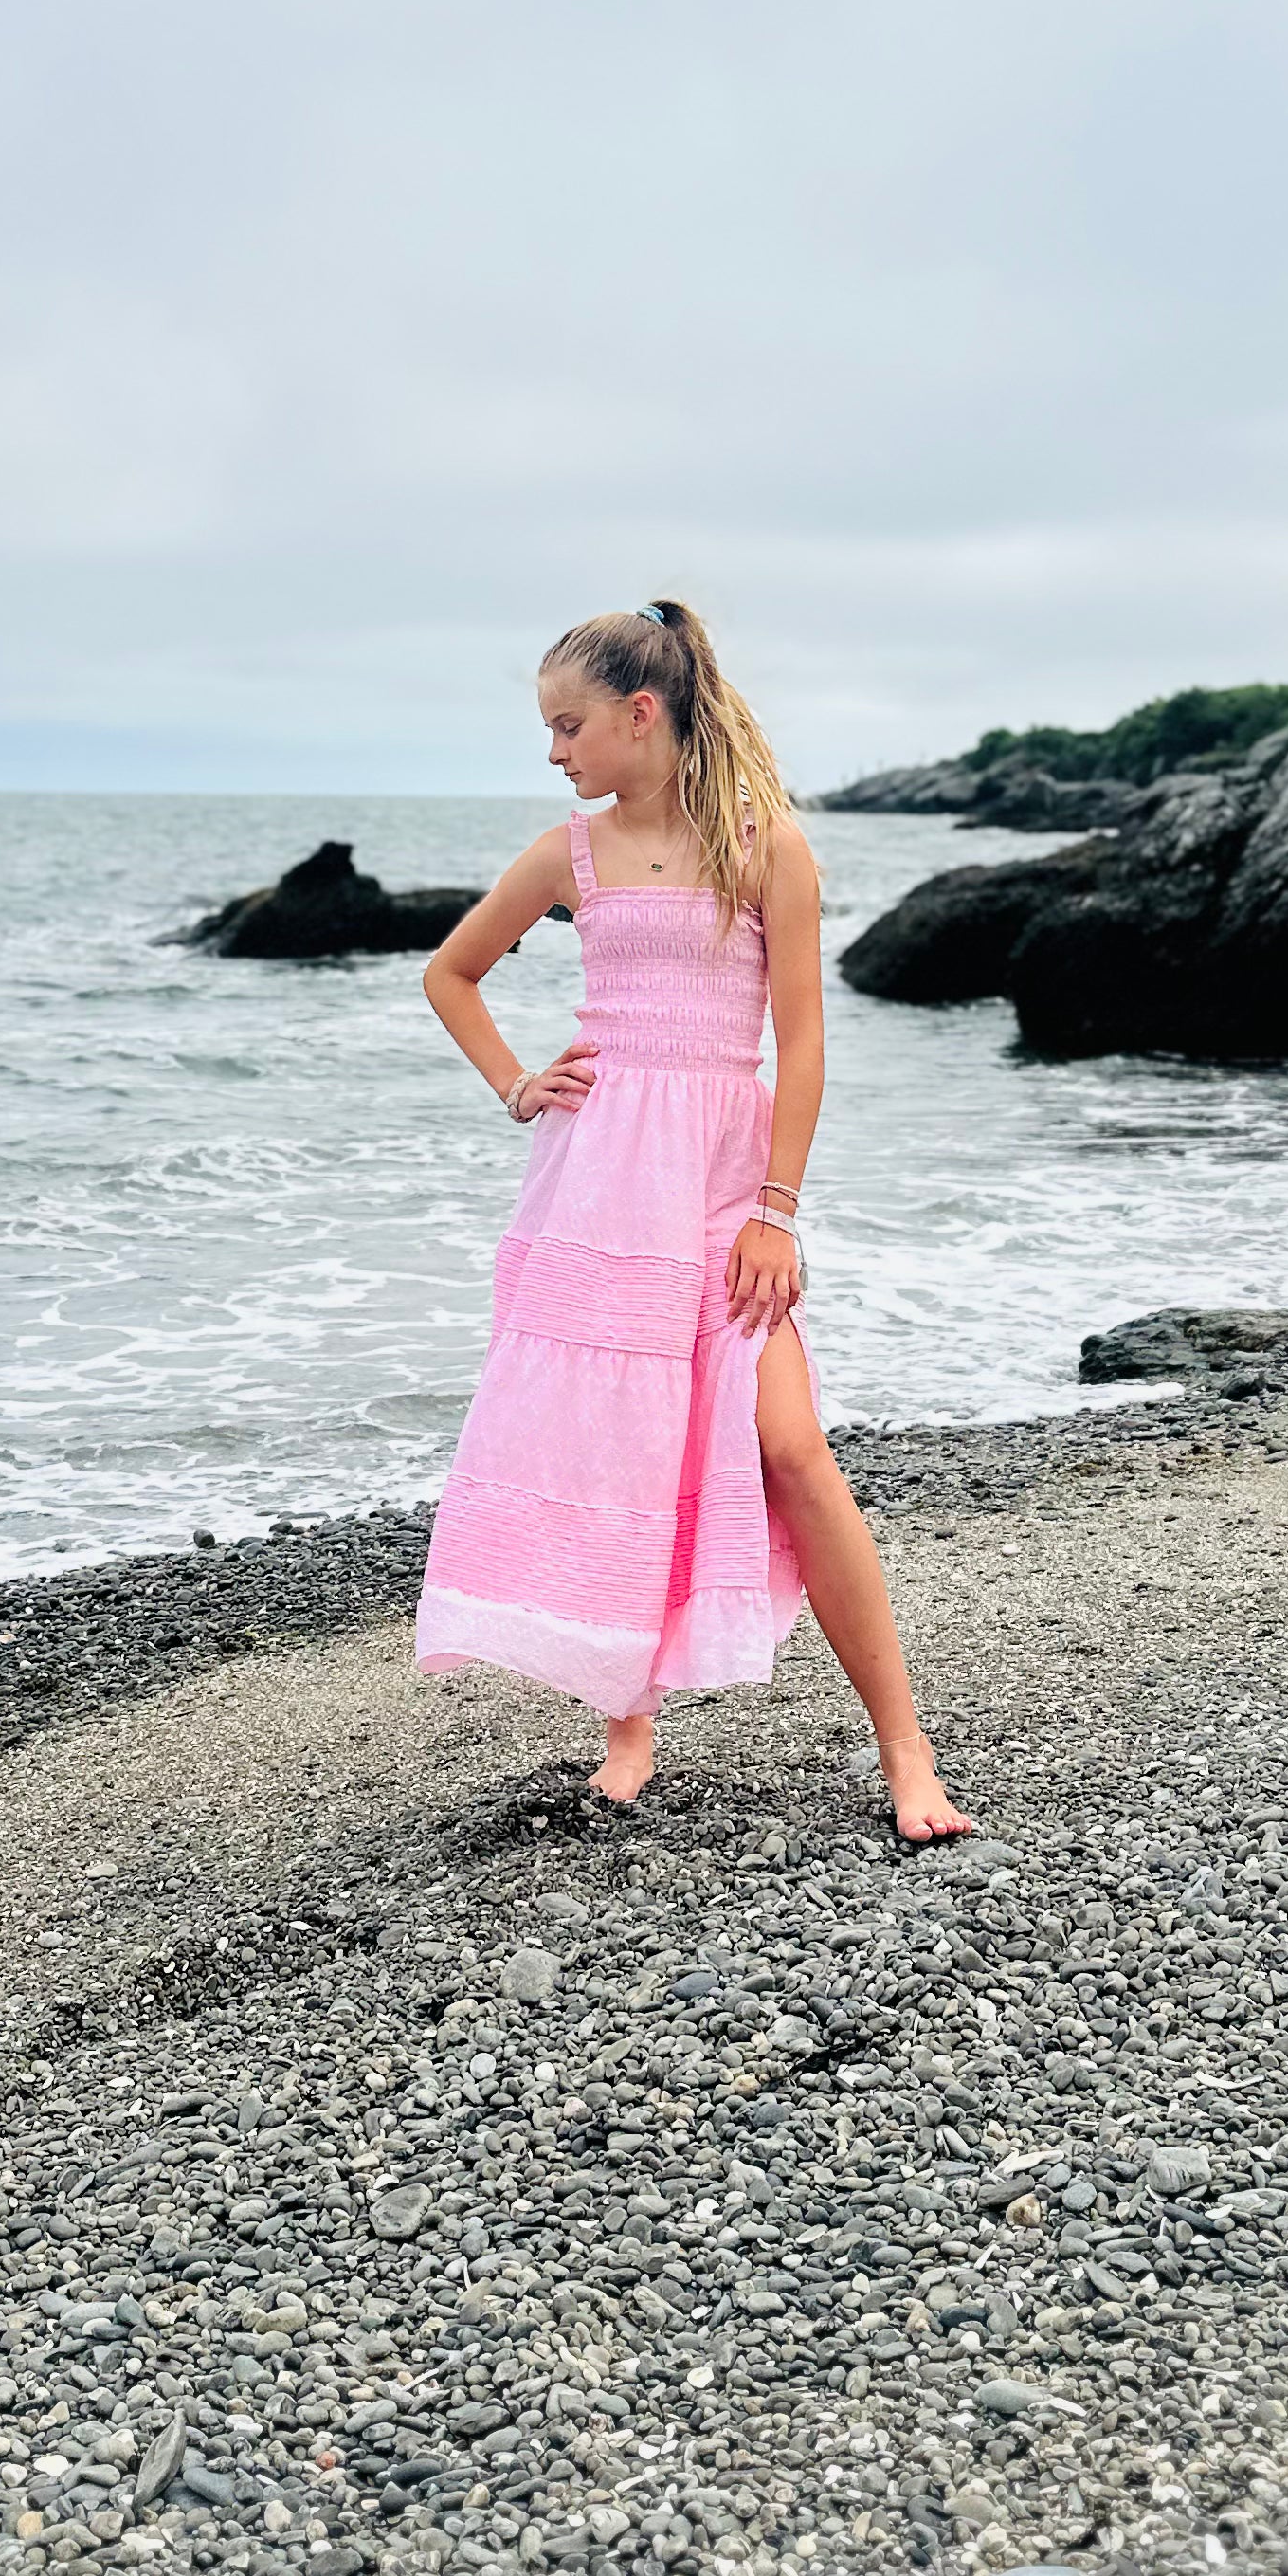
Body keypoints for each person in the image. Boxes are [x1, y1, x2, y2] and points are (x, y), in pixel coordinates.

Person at [414, 598, 971, 1843]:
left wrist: (777, 1212)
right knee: (621, 1444)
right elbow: (450, 970)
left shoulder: (767, 847)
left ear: (640, 714)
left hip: (723, 1185)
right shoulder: (570, 854)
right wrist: (518, 1084)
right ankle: (628, 1718)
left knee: (789, 1450)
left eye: (568, 726)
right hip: (601, 1187)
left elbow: (803, 1040)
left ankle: (904, 1741)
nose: (554, 750)